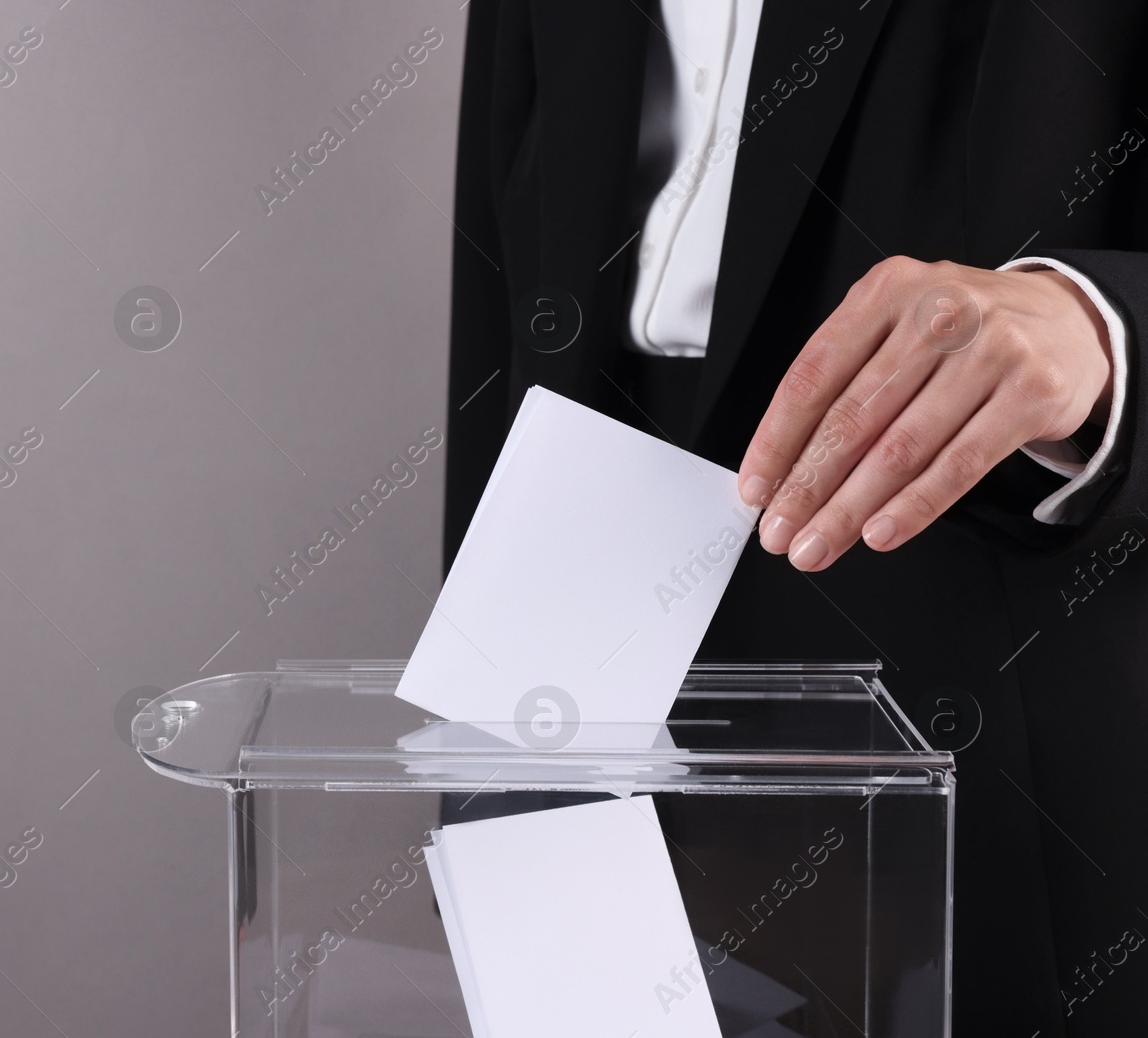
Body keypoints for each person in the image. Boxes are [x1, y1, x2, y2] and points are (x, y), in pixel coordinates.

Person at [441, 1, 1148, 1032]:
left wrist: (1107, 327)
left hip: (997, 578)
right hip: (584, 566)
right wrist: (479, 739)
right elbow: (509, 262)